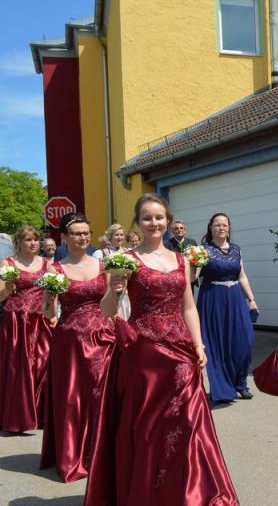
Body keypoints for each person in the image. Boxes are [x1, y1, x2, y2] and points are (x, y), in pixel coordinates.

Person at [85, 193, 237, 505]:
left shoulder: (181, 259)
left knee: (187, 421)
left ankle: (186, 490)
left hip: (181, 351)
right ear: (137, 223)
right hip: (144, 355)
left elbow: (189, 307)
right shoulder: (126, 259)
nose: (154, 223)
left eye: (159, 217)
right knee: (148, 425)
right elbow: (105, 310)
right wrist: (115, 290)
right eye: (147, 218)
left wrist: (198, 344)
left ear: (167, 220)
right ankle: (146, 490)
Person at [39, 214, 115, 482]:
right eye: (76, 234)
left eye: (86, 233)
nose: (82, 238)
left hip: (104, 337)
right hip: (70, 341)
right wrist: (49, 297)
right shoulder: (55, 270)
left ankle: (103, 452)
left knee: (102, 394)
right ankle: (75, 454)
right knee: (73, 397)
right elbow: (48, 312)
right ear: (65, 238)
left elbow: (111, 305)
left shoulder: (104, 264)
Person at [196, 213, 257, 404]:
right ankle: (223, 388)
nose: (221, 228)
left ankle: (240, 382)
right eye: (217, 225)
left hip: (235, 298)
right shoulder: (203, 250)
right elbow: (193, 277)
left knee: (244, 341)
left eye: (225, 225)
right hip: (212, 298)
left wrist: (252, 299)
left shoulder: (237, 249)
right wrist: (191, 262)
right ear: (211, 228)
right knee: (217, 344)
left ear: (229, 227)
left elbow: (242, 276)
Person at [0, 226, 53, 432]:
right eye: (28, 240)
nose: (32, 244)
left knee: (43, 364)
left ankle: (40, 413)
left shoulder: (48, 264)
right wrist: (9, 287)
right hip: (16, 321)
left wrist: (53, 314)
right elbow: (1, 296)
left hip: (40, 320)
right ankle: (17, 416)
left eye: (35, 240)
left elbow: (52, 294)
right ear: (18, 243)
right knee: (18, 367)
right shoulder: (8, 264)